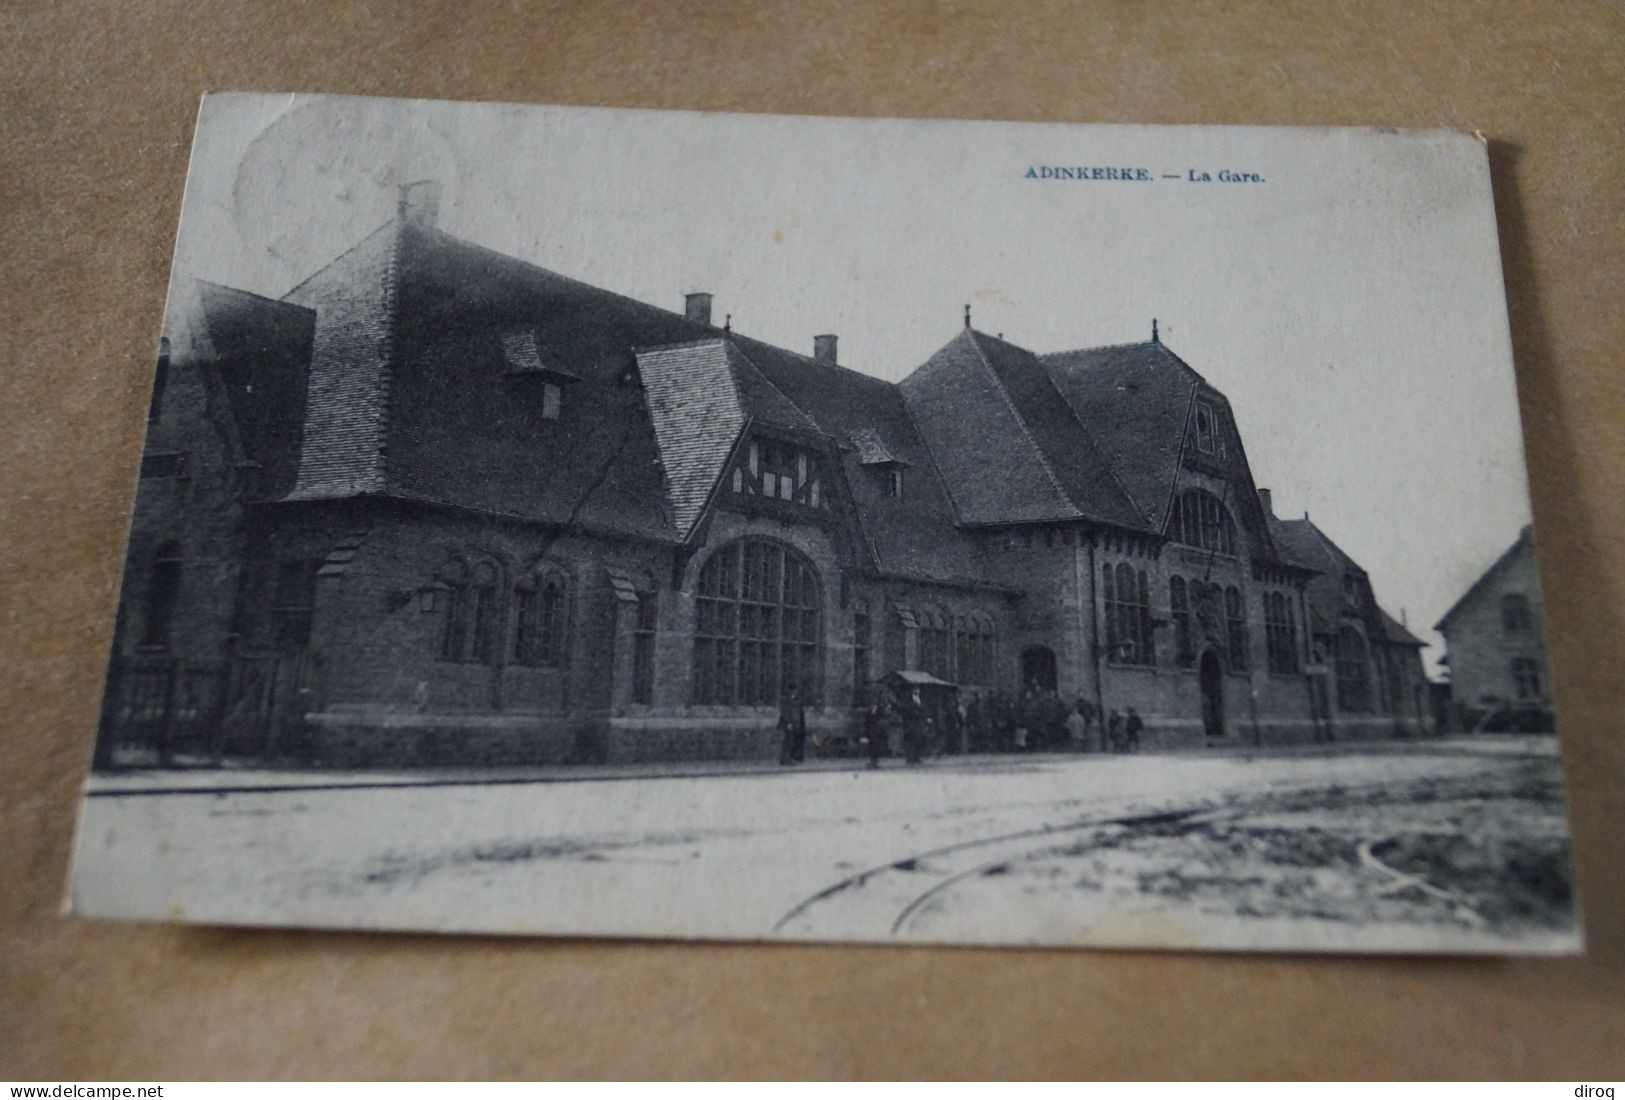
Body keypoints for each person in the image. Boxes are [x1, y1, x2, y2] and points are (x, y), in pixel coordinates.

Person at [777, 683, 807, 765]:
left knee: (792, 741)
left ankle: (790, 758)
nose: (794, 692)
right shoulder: (786, 700)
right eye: (793, 690)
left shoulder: (795, 699)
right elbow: (785, 712)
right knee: (788, 742)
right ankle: (785, 759)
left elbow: (797, 712)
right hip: (788, 724)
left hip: (795, 724)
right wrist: (788, 722)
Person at [900, 688, 927, 764]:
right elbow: (908, 712)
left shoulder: (920, 700)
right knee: (910, 742)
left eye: (918, 689)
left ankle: (916, 757)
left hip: (918, 724)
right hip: (911, 724)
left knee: (918, 741)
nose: (918, 691)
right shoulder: (909, 701)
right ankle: (909, 758)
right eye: (916, 690)